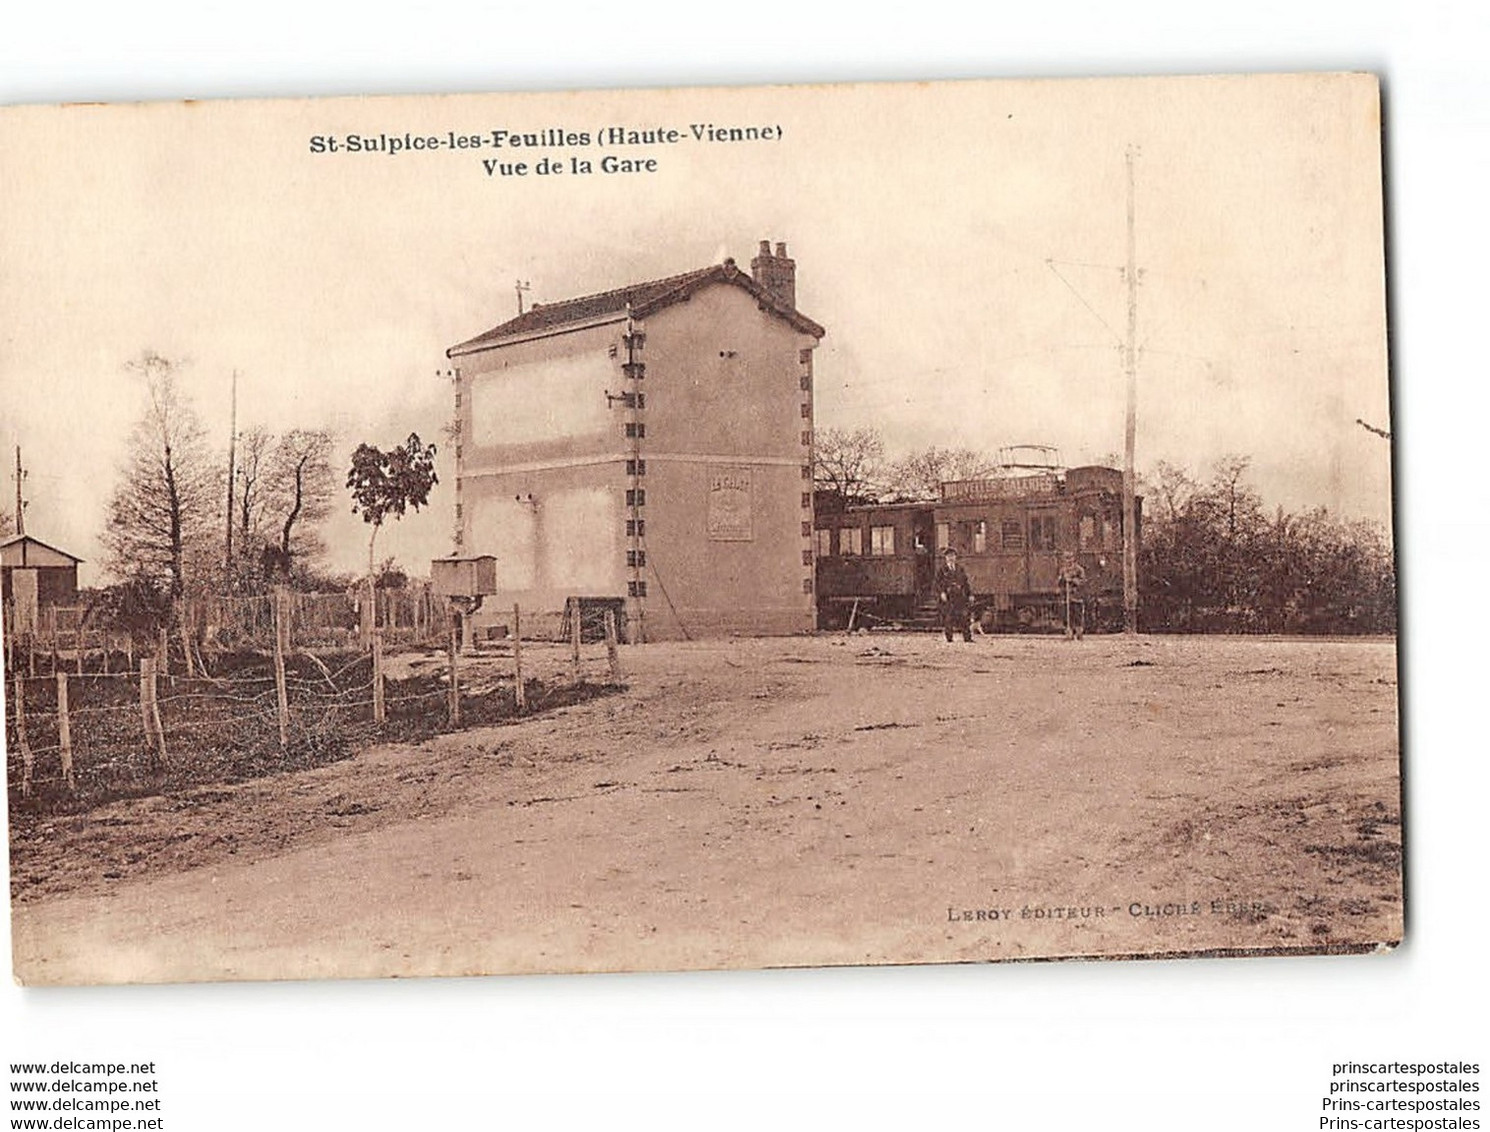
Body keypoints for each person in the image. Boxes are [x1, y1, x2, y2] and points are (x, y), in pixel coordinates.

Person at [934, 547, 973, 642]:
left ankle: (967, 638)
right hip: (948, 597)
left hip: (960, 596)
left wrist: (970, 594)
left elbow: (965, 583)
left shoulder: (960, 569)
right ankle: (949, 638)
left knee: (964, 617)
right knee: (948, 618)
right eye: (948, 556)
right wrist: (942, 593)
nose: (951, 558)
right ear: (945, 558)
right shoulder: (942, 570)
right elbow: (937, 583)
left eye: (952, 556)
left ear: (955, 557)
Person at [1059, 552, 1087, 640]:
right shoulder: (1063, 570)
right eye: (1066, 558)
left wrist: (1072, 580)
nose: (1068, 560)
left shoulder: (1079, 569)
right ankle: (1069, 633)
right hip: (1066, 596)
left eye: (1070, 558)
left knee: (1077, 615)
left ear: (1073, 559)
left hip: (1077, 596)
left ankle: (1079, 633)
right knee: (1067, 615)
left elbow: (1082, 581)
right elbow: (1059, 582)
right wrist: (1062, 579)